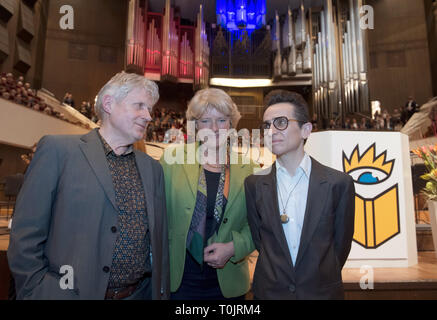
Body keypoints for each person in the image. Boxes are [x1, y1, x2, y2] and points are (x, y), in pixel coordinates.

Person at [8, 71, 169, 300]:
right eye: (139, 105)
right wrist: (39, 290)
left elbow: (158, 243)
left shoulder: (153, 169)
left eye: (150, 109)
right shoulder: (58, 152)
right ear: (109, 104)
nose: (148, 116)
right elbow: (26, 235)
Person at [244, 90, 355, 299]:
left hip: (321, 293)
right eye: (267, 125)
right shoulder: (254, 184)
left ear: (305, 130)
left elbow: (340, 247)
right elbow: (261, 242)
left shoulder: (338, 184)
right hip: (270, 293)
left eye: (281, 122)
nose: (271, 131)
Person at [160, 88, 257, 300]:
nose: (214, 128)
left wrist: (234, 248)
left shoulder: (247, 167)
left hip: (227, 283)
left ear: (231, 124)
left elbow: (258, 224)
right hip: (179, 281)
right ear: (195, 125)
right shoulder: (171, 160)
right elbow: (157, 217)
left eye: (221, 120)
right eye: (205, 121)